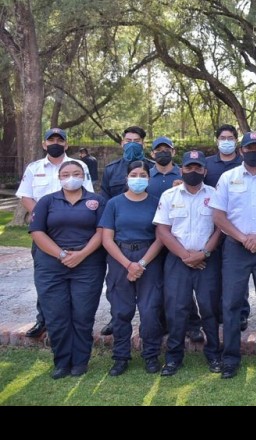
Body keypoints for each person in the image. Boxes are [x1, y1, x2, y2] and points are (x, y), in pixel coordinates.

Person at [211, 131, 256, 379]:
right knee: (231, 304)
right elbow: (218, 215)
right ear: (241, 150)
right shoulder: (228, 177)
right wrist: (244, 238)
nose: (253, 151)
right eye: (249, 147)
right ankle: (230, 359)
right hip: (236, 248)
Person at [28, 161, 106, 379]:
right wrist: (62, 255)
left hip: (88, 264)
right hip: (51, 266)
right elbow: (37, 232)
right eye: (66, 174)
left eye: (76, 173)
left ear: (84, 176)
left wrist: (81, 254)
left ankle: (80, 361)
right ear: (59, 177)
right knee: (56, 316)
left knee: (83, 314)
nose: (71, 177)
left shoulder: (97, 201)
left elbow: (102, 231)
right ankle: (62, 362)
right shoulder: (46, 201)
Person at [17, 127, 93, 339]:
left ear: (66, 144)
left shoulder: (79, 166)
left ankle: (70, 320)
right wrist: (42, 217)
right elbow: (25, 196)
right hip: (44, 233)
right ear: (44, 144)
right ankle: (43, 319)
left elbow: (88, 194)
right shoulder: (34, 168)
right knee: (45, 278)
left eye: (60, 140)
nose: (56, 144)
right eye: (51, 140)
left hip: (73, 231)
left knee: (75, 276)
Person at [155, 151, 223, 376]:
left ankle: (214, 355)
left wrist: (204, 253)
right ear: (181, 169)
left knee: (209, 308)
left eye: (197, 168)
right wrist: (186, 255)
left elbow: (220, 228)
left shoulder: (215, 195)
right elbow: (163, 230)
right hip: (178, 261)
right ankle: (174, 357)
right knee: (177, 310)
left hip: (207, 260)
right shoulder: (169, 196)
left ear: (205, 170)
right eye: (189, 167)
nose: (193, 171)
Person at [100, 160, 164, 376]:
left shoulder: (156, 203)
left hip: (149, 258)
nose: (138, 179)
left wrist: (142, 263)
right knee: (121, 311)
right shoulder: (114, 204)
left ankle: (151, 355)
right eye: (134, 175)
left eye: (143, 175)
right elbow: (106, 238)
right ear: (126, 178)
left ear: (149, 178)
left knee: (150, 310)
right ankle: (120, 356)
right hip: (120, 259)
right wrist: (128, 264)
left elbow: (161, 237)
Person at [98, 125, 154, 336]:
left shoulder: (153, 168)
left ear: (143, 144)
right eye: (128, 141)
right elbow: (104, 199)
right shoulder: (111, 169)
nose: (132, 144)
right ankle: (116, 319)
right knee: (117, 285)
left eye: (136, 141)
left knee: (152, 291)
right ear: (122, 143)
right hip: (118, 237)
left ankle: (155, 324)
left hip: (148, 237)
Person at [201, 124, 246, 336]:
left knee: (238, 274)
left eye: (230, 138)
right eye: (222, 138)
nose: (226, 141)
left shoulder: (244, 162)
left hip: (237, 227)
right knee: (214, 271)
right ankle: (218, 310)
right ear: (217, 140)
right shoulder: (207, 164)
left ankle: (241, 312)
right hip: (212, 226)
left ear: (236, 141)